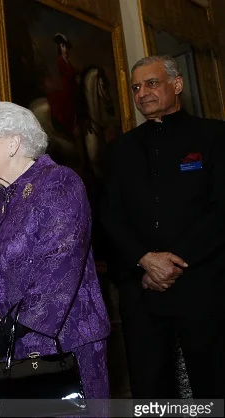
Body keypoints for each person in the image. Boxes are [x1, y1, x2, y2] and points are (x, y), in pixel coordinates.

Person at [0, 101, 111, 407]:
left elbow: (59, 266)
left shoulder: (59, 182)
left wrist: (12, 324)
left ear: (13, 142)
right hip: (19, 347)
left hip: (65, 343)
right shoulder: (1, 200)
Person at [101, 55, 225, 399]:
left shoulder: (215, 136)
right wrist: (144, 259)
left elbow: (220, 210)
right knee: (150, 385)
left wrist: (172, 262)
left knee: (212, 382)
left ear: (177, 85)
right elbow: (110, 215)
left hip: (203, 283)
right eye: (136, 87)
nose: (142, 93)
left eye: (152, 83)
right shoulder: (121, 148)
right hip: (142, 287)